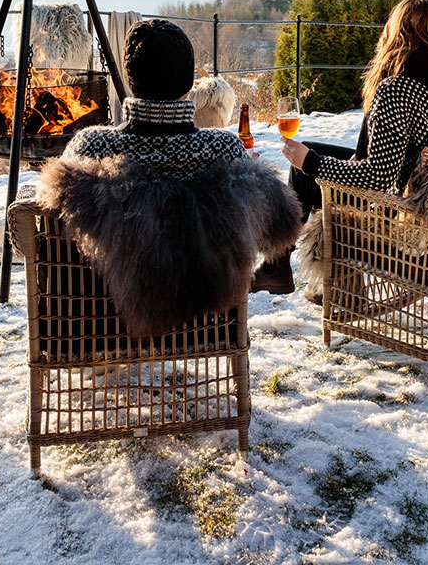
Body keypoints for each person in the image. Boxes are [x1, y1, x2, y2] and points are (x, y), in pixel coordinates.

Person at [37, 18, 301, 338]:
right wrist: (251, 182)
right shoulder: (223, 148)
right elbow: (281, 228)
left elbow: (44, 235)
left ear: (130, 79)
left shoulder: (90, 146)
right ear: (190, 83)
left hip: (95, 327)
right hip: (205, 324)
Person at [252, 0, 428, 297]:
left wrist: (311, 163)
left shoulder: (399, 86)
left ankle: (278, 270)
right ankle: (313, 278)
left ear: (396, 30)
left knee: (304, 170)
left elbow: (377, 177)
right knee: (310, 149)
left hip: (400, 202)